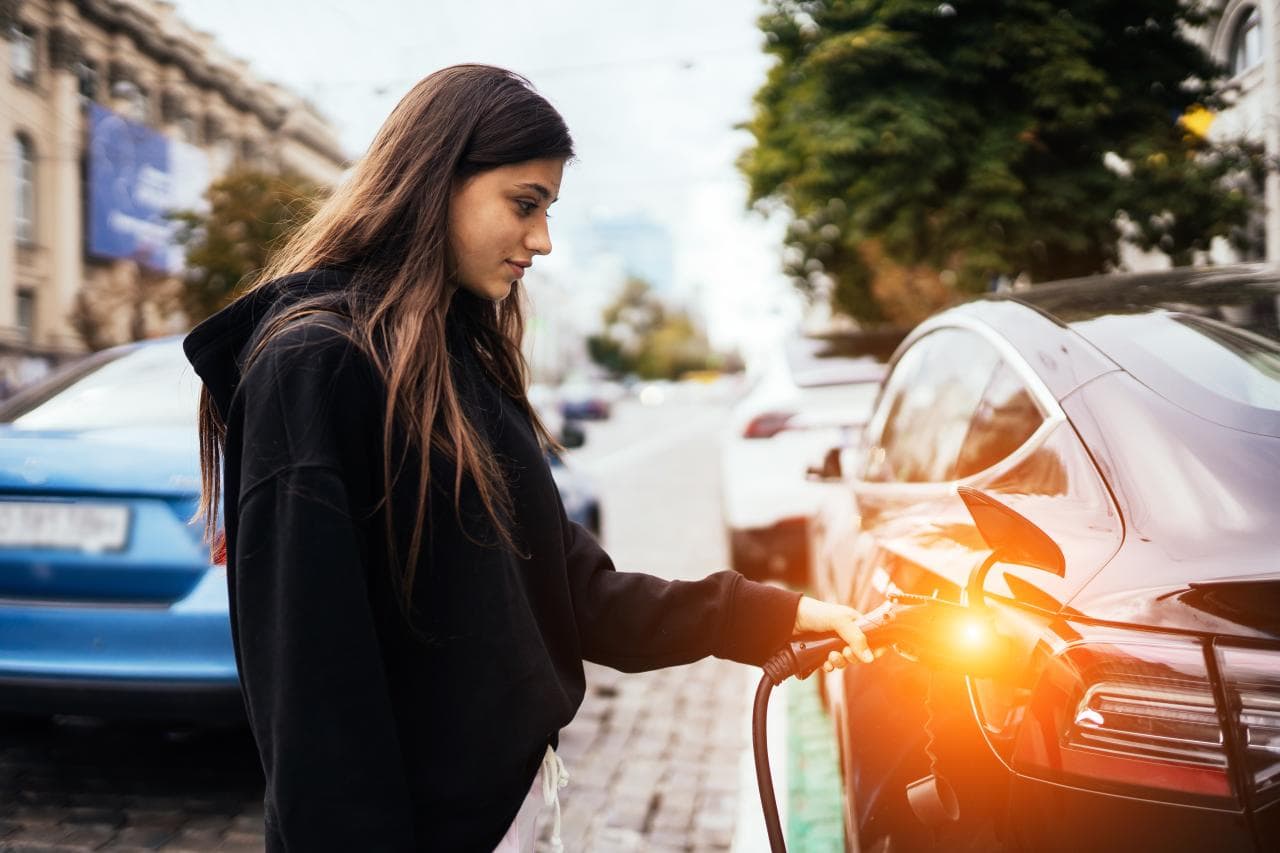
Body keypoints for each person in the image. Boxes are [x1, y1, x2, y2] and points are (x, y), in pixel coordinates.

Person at [184, 64, 873, 853]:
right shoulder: (316, 365)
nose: (542, 240)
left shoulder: (451, 358)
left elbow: (572, 590)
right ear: (435, 180)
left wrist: (770, 614)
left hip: (510, 815)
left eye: (547, 209)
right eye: (525, 204)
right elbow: (313, 701)